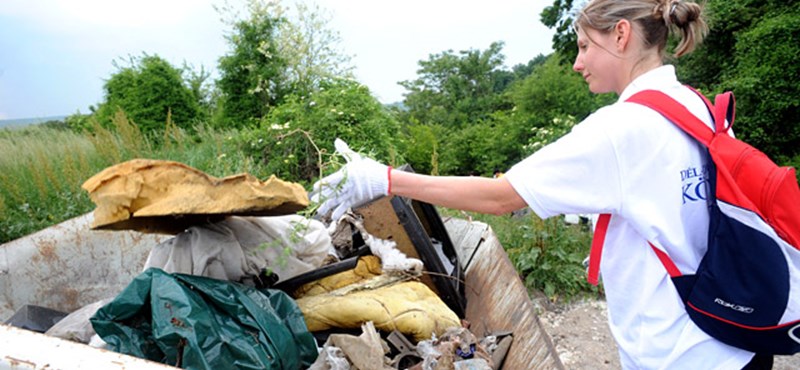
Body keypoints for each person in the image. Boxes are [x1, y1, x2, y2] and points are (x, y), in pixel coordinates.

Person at [310, 0, 772, 369]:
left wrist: (384, 178)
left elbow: (500, 196)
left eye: (584, 47)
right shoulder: (695, 106)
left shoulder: (621, 130)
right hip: (735, 335)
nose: (577, 63)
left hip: (678, 353)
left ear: (621, 35)